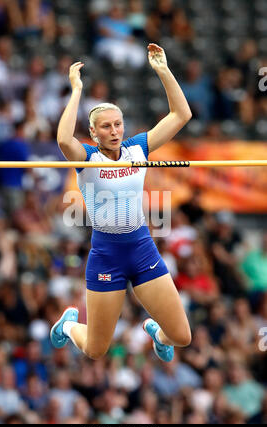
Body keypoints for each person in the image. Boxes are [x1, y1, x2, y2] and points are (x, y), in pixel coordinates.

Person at [50, 43, 192, 363]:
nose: (114, 131)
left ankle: (157, 333)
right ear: (93, 132)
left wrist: (163, 71)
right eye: (106, 126)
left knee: (182, 336)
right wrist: (76, 91)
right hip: (107, 255)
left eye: (118, 124)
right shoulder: (87, 157)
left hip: (141, 248)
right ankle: (70, 326)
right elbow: (62, 140)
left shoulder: (137, 149)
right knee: (96, 349)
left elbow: (181, 115)